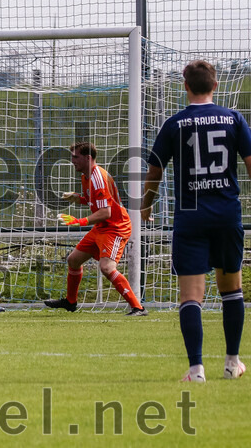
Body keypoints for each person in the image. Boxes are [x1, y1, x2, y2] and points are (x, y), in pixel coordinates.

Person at [142, 60, 251, 382]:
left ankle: (196, 370)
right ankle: (232, 363)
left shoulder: (174, 124)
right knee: (232, 289)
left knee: (191, 295)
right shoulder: (233, 118)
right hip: (227, 214)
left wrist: (146, 206)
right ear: (215, 86)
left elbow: (154, 171)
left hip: (190, 218)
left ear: (185, 86)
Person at [45, 142, 146, 316]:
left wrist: (80, 221)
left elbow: (105, 212)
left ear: (88, 158)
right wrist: (79, 198)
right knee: (73, 260)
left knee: (106, 268)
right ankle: (70, 302)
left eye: (75, 157)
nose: (72, 160)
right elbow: (97, 201)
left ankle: (138, 307)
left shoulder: (98, 177)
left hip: (115, 228)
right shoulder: (86, 176)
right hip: (102, 227)